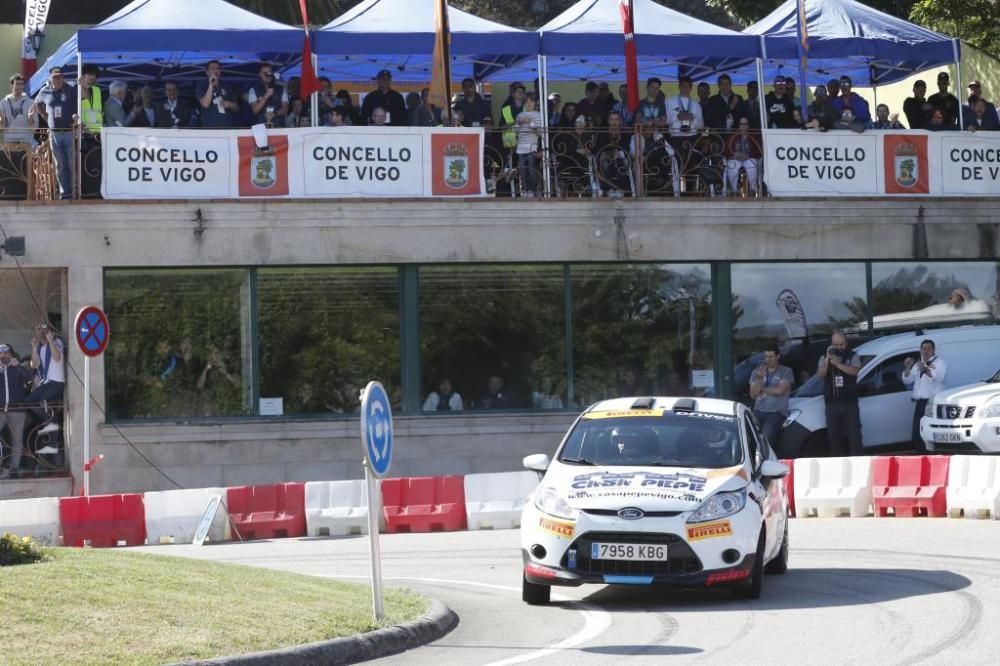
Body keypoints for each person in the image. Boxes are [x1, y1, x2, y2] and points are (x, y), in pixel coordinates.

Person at [815, 331, 863, 457]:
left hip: (849, 403)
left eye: (841, 344)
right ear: (831, 344)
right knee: (834, 437)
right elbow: (820, 375)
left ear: (846, 343)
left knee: (854, 437)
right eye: (836, 344)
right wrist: (827, 360)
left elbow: (854, 371)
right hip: (832, 404)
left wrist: (837, 364)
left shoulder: (853, 355)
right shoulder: (824, 357)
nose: (839, 347)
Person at [34, 67, 77, 199]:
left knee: (71, 163)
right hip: (54, 133)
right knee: (60, 165)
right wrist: (46, 117)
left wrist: (82, 84)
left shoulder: (71, 88)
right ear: (50, 79)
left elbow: (85, 95)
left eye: (60, 76)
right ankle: (65, 193)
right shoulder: (44, 90)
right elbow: (37, 103)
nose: (58, 79)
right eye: (55, 77)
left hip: (69, 131)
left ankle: (75, 192)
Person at [902, 339, 947, 453]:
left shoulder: (939, 363)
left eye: (929, 348)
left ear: (934, 350)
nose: (926, 351)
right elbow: (908, 380)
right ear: (920, 350)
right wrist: (907, 367)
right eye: (924, 348)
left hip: (932, 403)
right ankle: (922, 457)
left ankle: (931, 457)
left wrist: (925, 369)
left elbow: (940, 377)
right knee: (916, 433)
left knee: (929, 433)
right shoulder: (918, 364)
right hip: (920, 402)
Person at [748, 342, 793, 452]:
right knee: (750, 438)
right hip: (758, 410)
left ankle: (766, 464)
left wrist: (761, 389)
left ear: (778, 356)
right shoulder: (757, 372)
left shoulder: (785, 371)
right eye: (766, 357)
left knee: (766, 440)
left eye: (771, 356)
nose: (768, 359)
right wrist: (758, 379)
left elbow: (780, 390)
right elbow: (753, 394)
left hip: (776, 412)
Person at [25, 323, 65, 434]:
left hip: (56, 382)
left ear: (49, 331)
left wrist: (51, 341)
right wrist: (33, 347)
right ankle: (52, 443)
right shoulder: (39, 348)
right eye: (38, 330)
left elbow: (57, 358)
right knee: (51, 414)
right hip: (46, 383)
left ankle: (46, 418)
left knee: (33, 400)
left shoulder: (57, 343)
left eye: (43, 329)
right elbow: (34, 364)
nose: (41, 332)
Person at [0, 344, 33, 479]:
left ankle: (14, 468)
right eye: (1, 353)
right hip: (1, 410)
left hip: (17, 410)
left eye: (6, 353)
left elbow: (29, 379)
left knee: (17, 440)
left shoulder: (18, 368)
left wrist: (18, 366)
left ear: (11, 354)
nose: (4, 356)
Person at [196, 60, 239, 128]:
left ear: (220, 71)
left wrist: (230, 104)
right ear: (207, 72)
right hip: (210, 128)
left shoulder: (227, 86)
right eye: (212, 68)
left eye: (217, 68)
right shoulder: (201, 85)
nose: (215, 70)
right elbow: (205, 104)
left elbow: (237, 108)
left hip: (228, 127)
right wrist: (211, 84)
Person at [515, 92, 542, 196]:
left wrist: (530, 122)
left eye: (531, 101)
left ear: (535, 103)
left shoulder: (538, 115)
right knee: (522, 170)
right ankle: (524, 190)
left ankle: (533, 190)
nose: (528, 104)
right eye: (526, 102)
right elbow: (516, 131)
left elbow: (540, 132)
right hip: (520, 146)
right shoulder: (520, 115)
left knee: (531, 169)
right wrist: (519, 123)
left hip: (532, 146)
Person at [725, 116, 761, 195]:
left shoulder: (754, 135)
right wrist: (734, 154)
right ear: (739, 125)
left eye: (745, 124)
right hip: (736, 158)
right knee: (732, 165)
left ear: (748, 125)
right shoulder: (733, 135)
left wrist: (748, 155)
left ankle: (753, 190)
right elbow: (726, 149)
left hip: (749, 158)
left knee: (752, 164)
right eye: (741, 124)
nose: (743, 126)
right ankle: (735, 191)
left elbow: (759, 150)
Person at [248, 62, 289, 128]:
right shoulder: (253, 89)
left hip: (279, 126)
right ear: (260, 74)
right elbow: (255, 110)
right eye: (265, 73)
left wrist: (275, 113)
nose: (268, 75)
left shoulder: (281, 88)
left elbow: (285, 108)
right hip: (261, 128)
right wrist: (266, 96)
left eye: (269, 72)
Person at [0, 74, 36, 145]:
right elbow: (1, 128)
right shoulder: (3, 102)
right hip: (9, 141)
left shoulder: (30, 102)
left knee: (26, 157)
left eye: (21, 84)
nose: (19, 86)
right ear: (11, 86)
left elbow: (34, 129)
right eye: (17, 84)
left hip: (26, 140)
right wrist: (2, 121)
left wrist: (30, 118)